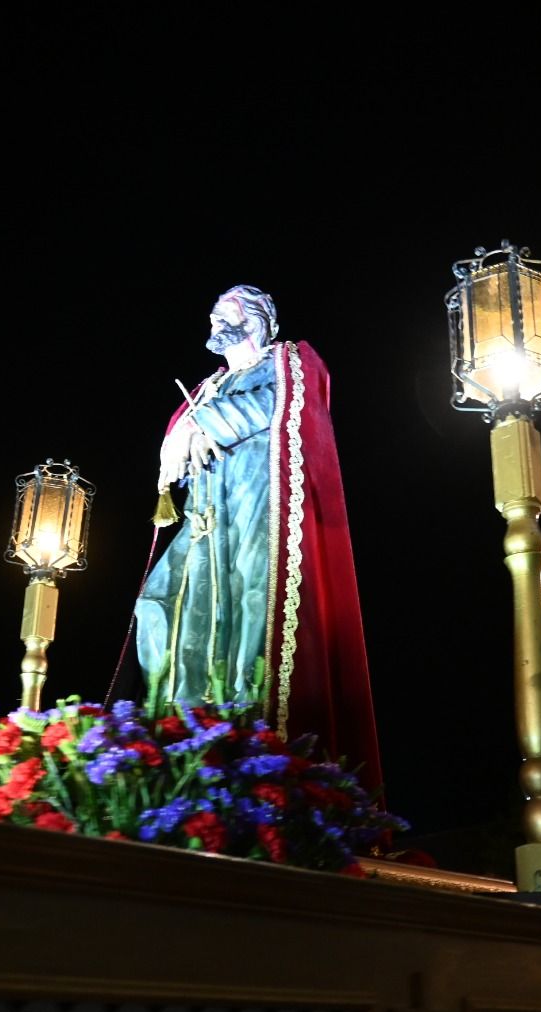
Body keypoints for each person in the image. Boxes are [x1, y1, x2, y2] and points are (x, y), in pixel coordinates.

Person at [134, 285, 383, 793]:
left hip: (257, 511)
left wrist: (206, 425)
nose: (212, 318)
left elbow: (287, 403)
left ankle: (246, 742)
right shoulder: (205, 388)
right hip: (205, 524)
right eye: (212, 311)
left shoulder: (288, 361)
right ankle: (181, 738)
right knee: (159, 610)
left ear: (256, 319)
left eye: (224, 310)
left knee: (252, 623)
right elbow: (179, 450)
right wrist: (177, 442)